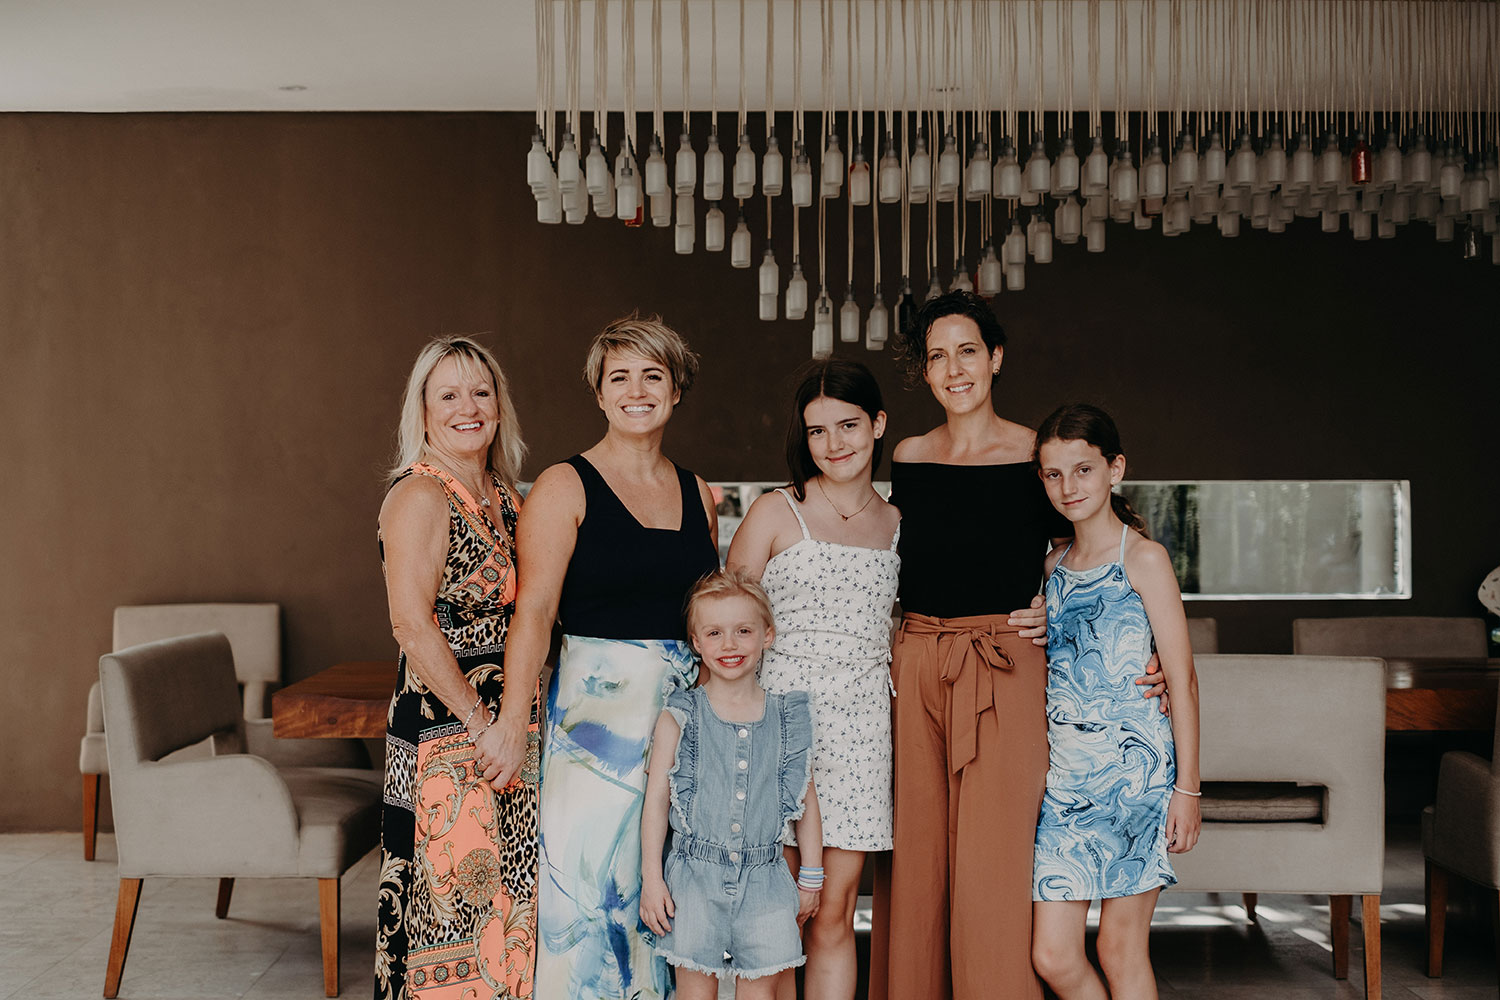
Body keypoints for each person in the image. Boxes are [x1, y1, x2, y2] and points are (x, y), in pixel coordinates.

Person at [871, 291, 1165, 1000]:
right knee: (918, 856)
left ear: (995, 358)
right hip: (918, 660)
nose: (954, 369)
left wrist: (1142, 648)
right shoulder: (908, 456)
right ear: (925, 371)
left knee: (995, 860)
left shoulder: (1037, 453)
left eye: (968, 351)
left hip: (1007, 665)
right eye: (937, 357)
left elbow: (1098, 546)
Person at [487, 314, 720, 1000]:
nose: (636, 391)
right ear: (599, 393)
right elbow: (534, 613)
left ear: (676, 389)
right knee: (591, 900)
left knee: (673, 897)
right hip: (594, 733)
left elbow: (708, 618)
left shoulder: (698, 492)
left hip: (683, 726)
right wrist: (510, 721)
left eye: (653, 375)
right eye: (620, 377)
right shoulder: (564, 485)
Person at [727, 359, 900, 1000]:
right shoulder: (777, 510)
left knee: (834, 911)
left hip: (860, 731)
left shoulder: (901, 525)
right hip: (777, 721)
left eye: (848, 425)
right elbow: (726, 616)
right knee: (773, 911)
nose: (834, 443)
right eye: (817, 430)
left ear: (877, 424)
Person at [374, 335, 538, 1000]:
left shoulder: (506, 492)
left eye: (480, 391)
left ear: (499, 403)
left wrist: (513, 722)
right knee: (447, 916)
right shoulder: (420, 494)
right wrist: (480, 723)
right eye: (448, 395)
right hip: (449, 732)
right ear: (423, 409)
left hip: (512, 727)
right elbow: (411, 624)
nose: (467, 407)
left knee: (506, 914)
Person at [1029, 403, 1201, 1000]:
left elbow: (1182, 679)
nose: (1068, 487)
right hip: (1065, 786)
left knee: (1119, 948)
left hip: (1137, 781)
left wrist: (1188, 790)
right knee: (1052, 955)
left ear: (1115, 469)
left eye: (1083, 469)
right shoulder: (1050, 568)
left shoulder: (1144, 559)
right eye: (1053, 474)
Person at [640, 569, 824, 999]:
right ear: (696, 643)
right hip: (693, 881)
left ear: (767, 636)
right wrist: (652, 878)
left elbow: (807, 802)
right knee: (694, 993)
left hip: (767, 883)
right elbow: (656, 802)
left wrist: (811, 879)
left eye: (743, 631)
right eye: (714, 633)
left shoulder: (787, 718)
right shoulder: (679, 715)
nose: (729, 645)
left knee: (761, 993)